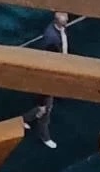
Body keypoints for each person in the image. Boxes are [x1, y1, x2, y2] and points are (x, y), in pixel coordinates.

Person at [22, 12, 70, 150]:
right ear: (58, 22)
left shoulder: (56, 29)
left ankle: (25, 119)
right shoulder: (52, 38)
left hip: (49, 72)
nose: (67, 22)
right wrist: (64, 38)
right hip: (47, 75)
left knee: (44, 106)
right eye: (65, 21)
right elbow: (64, 57)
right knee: (46, 109)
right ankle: (45, 136)